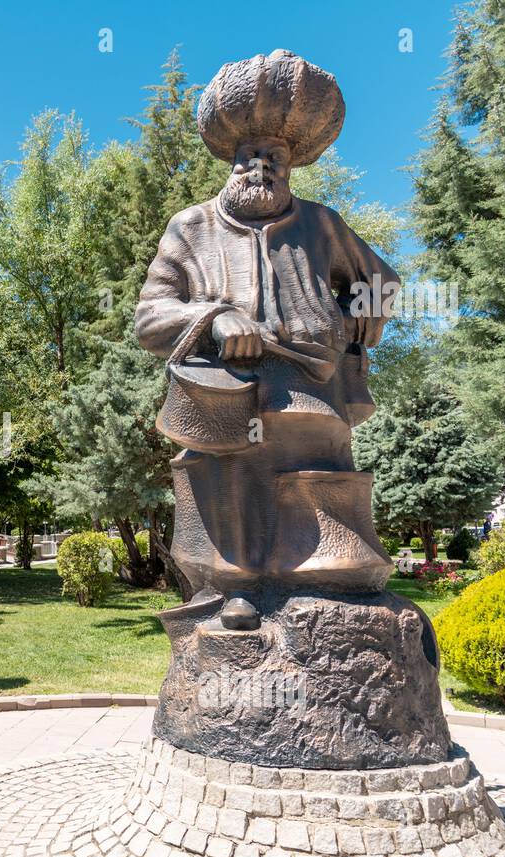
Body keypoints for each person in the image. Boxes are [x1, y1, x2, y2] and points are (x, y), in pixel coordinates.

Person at [134, 49, 397, 629]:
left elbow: (382, 285)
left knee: (320, 480)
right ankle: (236, 587)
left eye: (274, 156)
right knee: (225, 480)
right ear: (230, 161)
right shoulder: (192, 227)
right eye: (249, 155)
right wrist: (215, 319)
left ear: (291, 164)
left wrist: (353, 320)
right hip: (224, 394)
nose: (261, 166)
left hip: (311, 388)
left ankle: (330, 585)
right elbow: (150, 316)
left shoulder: (321, 223)